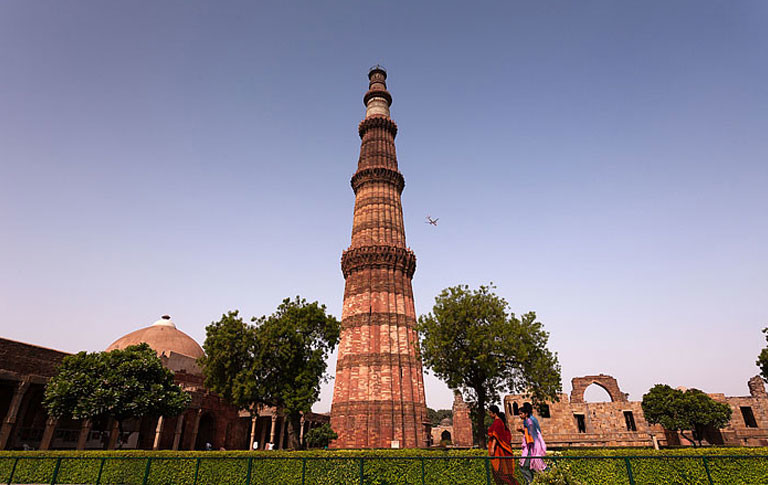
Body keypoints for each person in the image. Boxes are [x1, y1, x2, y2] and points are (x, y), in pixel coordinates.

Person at [487, 404, 519, 485]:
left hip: (498, 450)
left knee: (501, 472)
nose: (489, 414)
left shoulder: (498, 422)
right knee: (498, 473)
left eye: (490, 413)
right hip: (498, 450)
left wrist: (492, 448)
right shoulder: (498, 422)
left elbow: (495, 436)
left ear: (495, 413)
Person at [517, 402, 547, 484]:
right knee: (534, 465)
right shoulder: (528, 420)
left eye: (521, 413)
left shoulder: (529, 421)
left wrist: (523, 430)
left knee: (529, 465)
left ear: (526, 413)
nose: (520, 415)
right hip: (530, 445)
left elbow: (532, 432)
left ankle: (531, 482)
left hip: (532, 445)